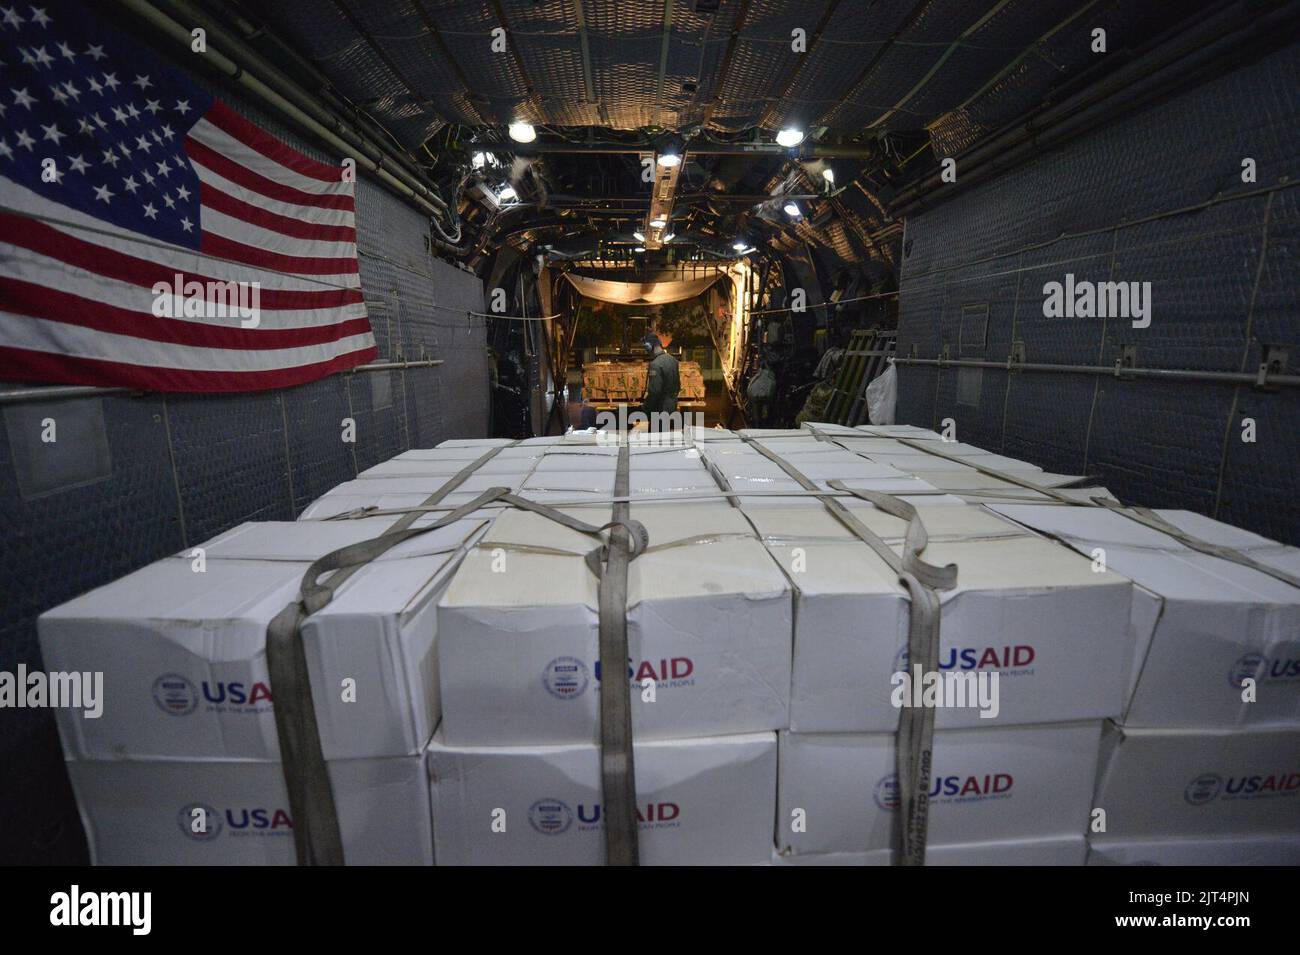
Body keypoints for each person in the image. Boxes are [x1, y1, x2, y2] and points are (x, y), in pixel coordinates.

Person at [641, 333, 680, 424]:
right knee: (667, 436)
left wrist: (645, 408)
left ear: (651, 346)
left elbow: (655, 391)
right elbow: (678, 385)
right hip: (672, 407)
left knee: (657, 436)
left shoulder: (656, 364)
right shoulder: (673, 360)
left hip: (660, 409)